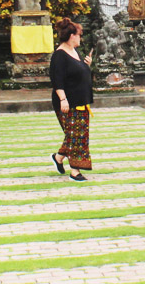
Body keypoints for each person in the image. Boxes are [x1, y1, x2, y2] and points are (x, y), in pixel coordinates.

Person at [50, 17, 94, 182]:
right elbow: (57, 80)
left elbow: (79, 73)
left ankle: (59, 157)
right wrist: (63, 99)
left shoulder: (75, 51)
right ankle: (75, 171)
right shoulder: (59, 55)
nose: (80, 38)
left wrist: (87, 65)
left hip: (81, 100)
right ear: (71, 36)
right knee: (75, 135)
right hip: (68, 102)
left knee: (77, 135)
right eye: (79, 35)